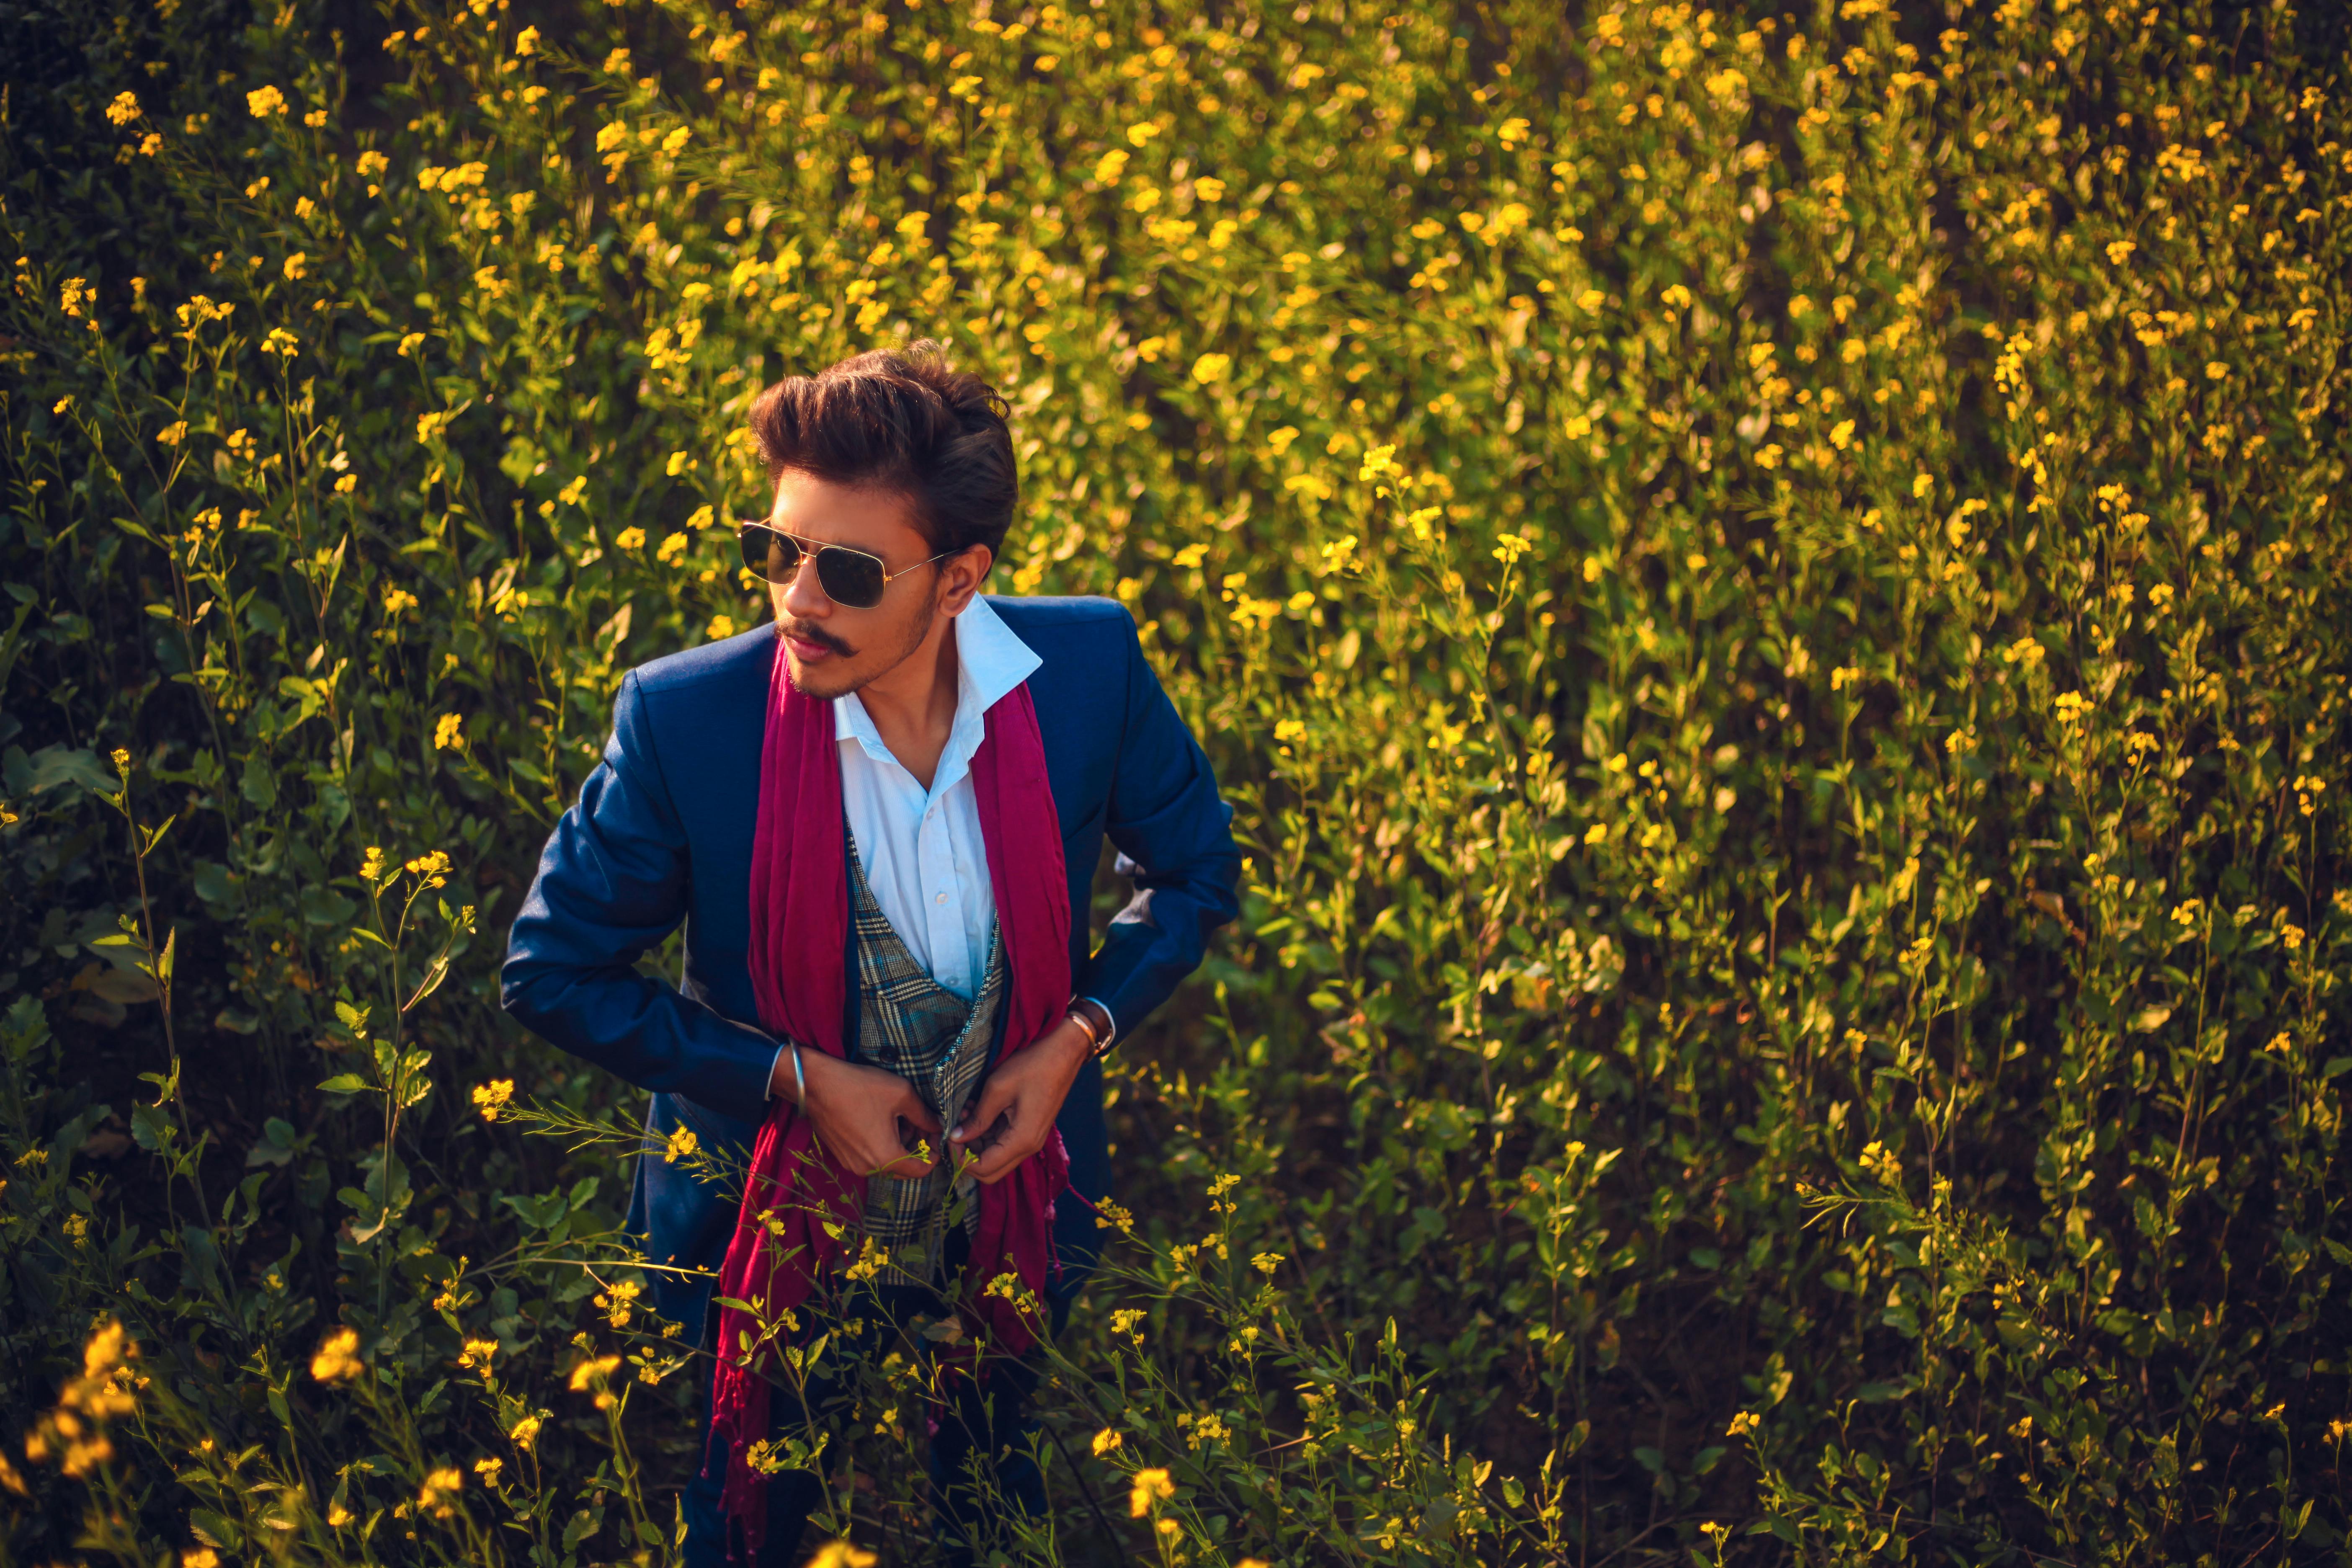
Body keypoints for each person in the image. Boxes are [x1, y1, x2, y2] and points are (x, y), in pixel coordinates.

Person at [500, 341, 1240, 1565]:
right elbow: (551, 970)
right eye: (777, 551)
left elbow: (1196, 870)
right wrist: (794, 1079)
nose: (797, 599)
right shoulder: (689, 718)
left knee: (993, 1500)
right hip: (765, 1218)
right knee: (759, 1520)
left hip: (1011, 1202)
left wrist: (1073, 1039)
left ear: (959, 582)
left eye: (845, 569)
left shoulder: (1087, 671)